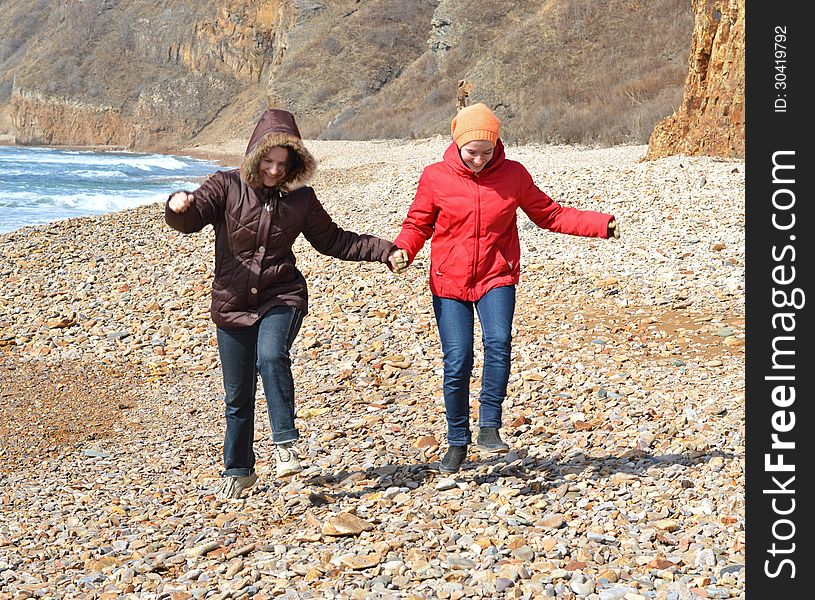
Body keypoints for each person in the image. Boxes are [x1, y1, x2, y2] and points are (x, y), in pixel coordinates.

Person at [166, 108, 397, 499]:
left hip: (281, 296)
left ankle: (285, 445)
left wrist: (384, 251)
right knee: (237, 396)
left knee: (271, 356)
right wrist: (179, 206)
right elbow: (194, 216)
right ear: (255, 156)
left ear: (294, 164)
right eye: (268, 162)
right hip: (232, 303)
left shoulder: (301, 200)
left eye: (283, 164)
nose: (274, 171)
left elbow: (334, 241)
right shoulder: (225, 186)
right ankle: (239, 470)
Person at [386, 103, 620, 474]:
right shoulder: (435, 177)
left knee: (498, 341)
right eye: (471, 152)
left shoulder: (513, 175)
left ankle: (489, 426)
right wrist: (403, 250)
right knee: (458, 359)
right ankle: (456, 440)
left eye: (486, 151)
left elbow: (550, 214)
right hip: (449, 280)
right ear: (456, 143)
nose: (479, 160)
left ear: (498, 145)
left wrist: (600, 224)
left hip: (497, 274)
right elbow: (418, 224)